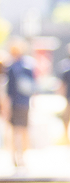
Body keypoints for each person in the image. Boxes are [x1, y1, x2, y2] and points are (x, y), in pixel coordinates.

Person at [3, 40, 37, 169]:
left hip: (14, 103)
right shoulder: (28, 66)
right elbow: (33, 87)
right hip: (25, 102)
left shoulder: (11, 67)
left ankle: (16, 156)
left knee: (15, 131)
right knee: (23, 130)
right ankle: (22, 156)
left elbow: (8, 90)